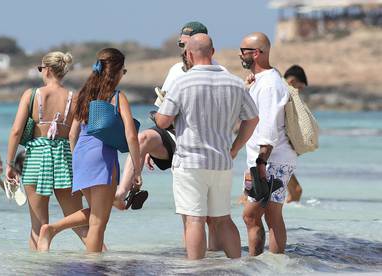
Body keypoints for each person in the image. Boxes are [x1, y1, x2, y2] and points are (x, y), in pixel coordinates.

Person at [156, 34, 259, 260]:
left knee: (195, 220)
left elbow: (163, 122)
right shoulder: (233, 82)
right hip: (222, 161)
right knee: (223, 219)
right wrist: (235, 148)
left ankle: (195, 270)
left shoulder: (181, 83)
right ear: (213, 53)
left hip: (190, 162)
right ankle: (238, 267)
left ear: (189, 55)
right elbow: (252, 119)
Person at [38, 48, 142, 252]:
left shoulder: (84, 94)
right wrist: (137, 169)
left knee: (96, 212)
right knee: (98, 223)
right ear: (118, 71)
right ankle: (93, 268)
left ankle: (52, 229)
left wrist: (77, 159)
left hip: (81, 155)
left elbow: (72, 134)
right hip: (102, 157)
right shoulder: (117, 97)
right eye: (124, 71)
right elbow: (131, 135)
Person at [113, 21, 210, 210]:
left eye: (185, 45)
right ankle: (122, 193)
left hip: (199, 141)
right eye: (180, 45)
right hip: (172, 133)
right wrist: (151, 146)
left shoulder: (213, 72)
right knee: (143, 139)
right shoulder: (175, 70)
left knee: (200, 210)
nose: (183, 50)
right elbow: (162, 108)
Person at [5, 51, 89, 250]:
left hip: (36, 156)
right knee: (79, 223)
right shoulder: (74, 97)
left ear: (48, 69)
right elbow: (74, 136)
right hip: (64, 158)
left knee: (38, 226)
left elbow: (16, 131)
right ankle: (104, 263)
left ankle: (38, 270)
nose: (41, 71)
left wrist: (9, 164)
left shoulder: (31, 95)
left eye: (40, 68)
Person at [239, 32, 297, 256]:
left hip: (271, 159)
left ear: (256, 53)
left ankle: (257, 264)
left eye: (243, 50)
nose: (239, 54)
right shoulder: (260, 81)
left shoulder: (270, 84)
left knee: (251, 215)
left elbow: (270, 126)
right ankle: (272, 265)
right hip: (268, 159)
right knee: (271, 215)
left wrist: (261, 162)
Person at [284, 65, 308, 203]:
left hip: (277, 152)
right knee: (295, 192)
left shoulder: (287, 97)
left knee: (295, 192)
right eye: (300, 88)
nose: (299, 92)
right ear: (292, 81)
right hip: (271, 153)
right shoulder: (284, 96)